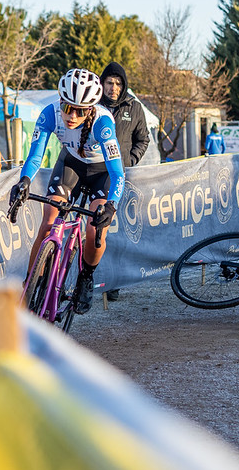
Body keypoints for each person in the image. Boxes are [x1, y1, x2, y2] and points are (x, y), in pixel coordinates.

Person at [9, 68, 124, 315]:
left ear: (91, 109)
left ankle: (86, 276)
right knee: (49, 222)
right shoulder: (49, 114)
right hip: (70, 165)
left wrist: (111, 204)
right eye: (67, 107)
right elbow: (35, 156)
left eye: (80, 111)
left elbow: (118, 174)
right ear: (59, 102)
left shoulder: (103, 124)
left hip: (101, 173)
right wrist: (24, 181)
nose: (71, 116)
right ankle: (30, 285)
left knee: (95, 230)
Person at [99, 61, 149, 301]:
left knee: (117, 233)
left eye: (118, 83)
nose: (113, 88)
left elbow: (144, 139)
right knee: (97, 228)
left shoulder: (134, 107)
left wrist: (130, 160)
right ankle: (90, 277)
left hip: (121, 177)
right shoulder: (92, 105)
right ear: (102, 83)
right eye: (109, 82)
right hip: (96, 172)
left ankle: (113, 281)